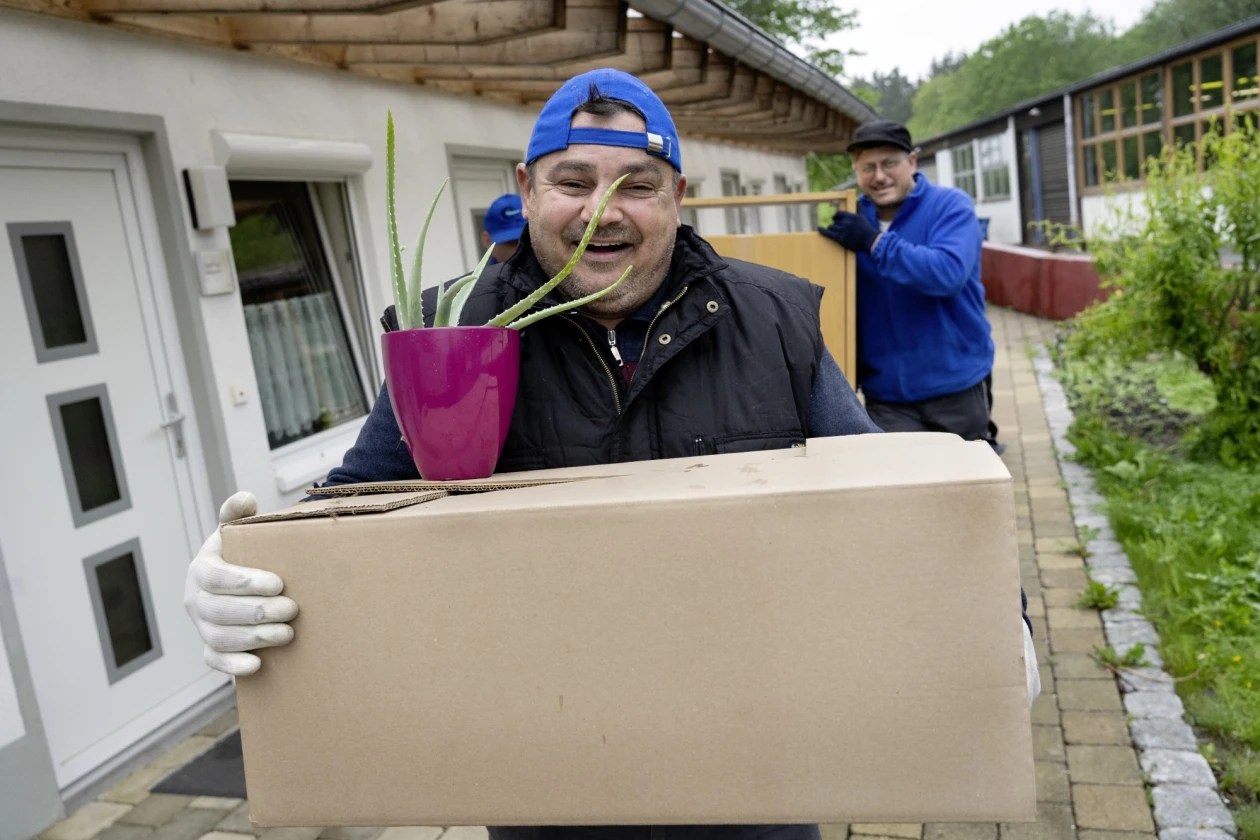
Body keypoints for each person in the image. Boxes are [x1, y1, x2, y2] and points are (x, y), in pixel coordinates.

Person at [185, 71, 1037, 840]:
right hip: (549, 796)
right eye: (574, 182)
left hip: (758, 781)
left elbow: (894, 498)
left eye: (638, 184)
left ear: (678, 198)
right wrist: (251, 568)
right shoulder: (454, 332)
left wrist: (997, 621)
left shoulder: (773, 320)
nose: (604, 210)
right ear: (525, 189)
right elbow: (351, 507)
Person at [819, 121, 1004, 454]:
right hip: (887, 394)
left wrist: (875, 242)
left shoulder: (950, 206)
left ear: (912, 163)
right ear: (856, 171)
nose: (879, 176)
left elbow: (947, 274)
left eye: (889, 163)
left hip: (954, 384)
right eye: (868, 167)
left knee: (963, 489)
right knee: (904, 492)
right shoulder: (851, 217)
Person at [481, 193, 526, 264]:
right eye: (512, 243)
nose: (521, 251)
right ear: (487, 241)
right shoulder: (481, 275)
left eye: (528, 240)